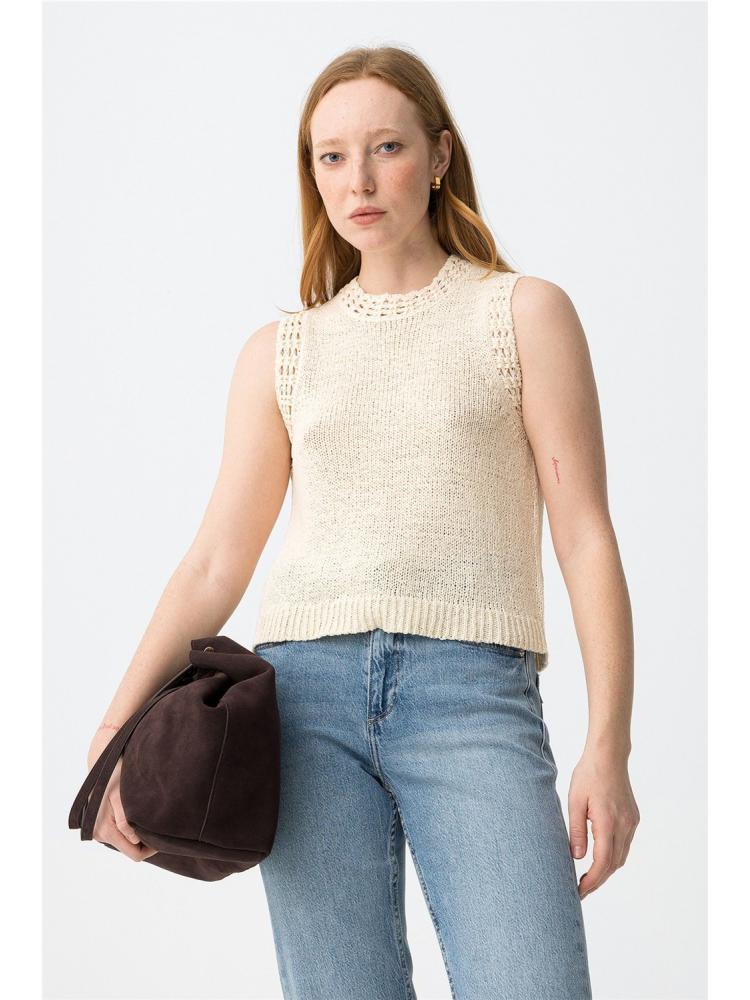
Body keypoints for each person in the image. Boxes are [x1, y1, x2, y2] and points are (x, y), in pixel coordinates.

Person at [86, 45, 639, 1000]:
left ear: (439, 155)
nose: (359, 180)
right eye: (331, 157)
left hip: (473, 695)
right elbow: (215, 562)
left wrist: (610, 744)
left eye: (387, 147)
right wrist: (111, 737)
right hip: (303, 707)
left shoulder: (522, 314)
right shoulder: (283, 352)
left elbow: (585, 534)